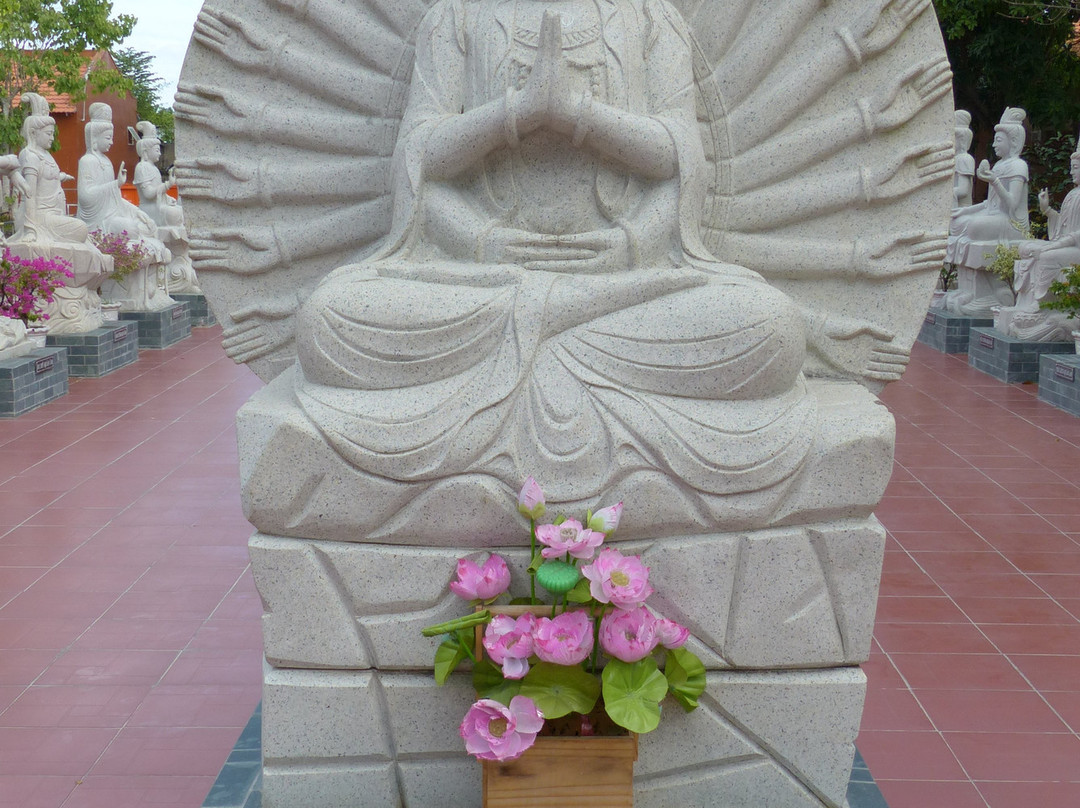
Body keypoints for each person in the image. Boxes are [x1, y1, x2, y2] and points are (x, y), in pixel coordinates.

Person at [291, 0, 814, 514]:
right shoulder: (455, 17)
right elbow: (421, 163)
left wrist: (578, 120)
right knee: (328, 318)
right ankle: (565, 358)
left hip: (623, 284)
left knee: (772, 327)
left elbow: (679, 162)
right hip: (483, 284)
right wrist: (515, 120)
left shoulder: (650, 17)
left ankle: (509, 377)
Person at [14, 94, 87, 244]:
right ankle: (32, 231)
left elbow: (46, 180)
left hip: (53, 213)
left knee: (82, 230)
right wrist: (30, 229)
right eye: (48, 134)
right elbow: (29, 194)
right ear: (34, 133)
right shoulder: (30, 155)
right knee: (81, 229)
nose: (52, 138)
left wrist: (61, 177)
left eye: (52, 133)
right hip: (39, 217)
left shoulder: (46, 155)